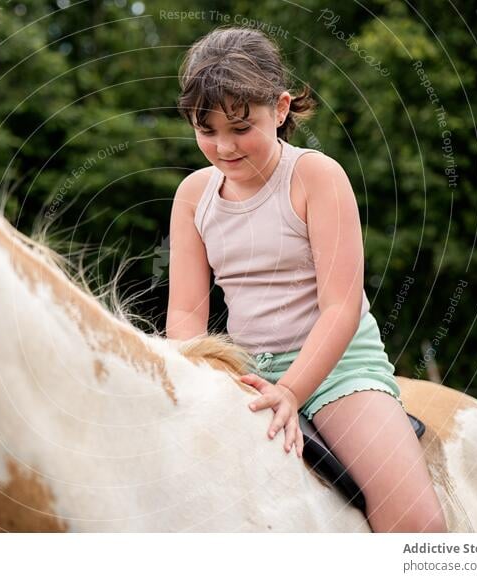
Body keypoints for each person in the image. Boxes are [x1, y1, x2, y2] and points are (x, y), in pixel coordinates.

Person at [165, 27, 447, 533]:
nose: (223, 146)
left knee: (416, 524)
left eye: (240, 126)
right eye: (206, 130)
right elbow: (187, 314)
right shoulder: (192, 196)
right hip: (244, 369)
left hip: (336, 370)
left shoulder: (316, 177)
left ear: (279, 108)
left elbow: (340, 306)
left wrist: (293, 390)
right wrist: (187, 381)